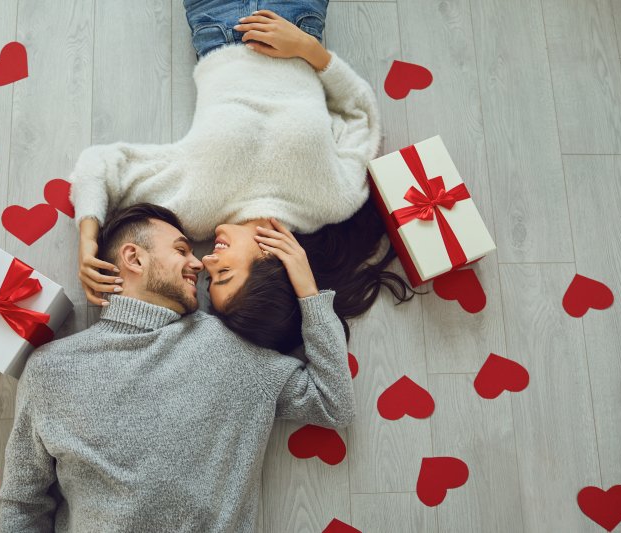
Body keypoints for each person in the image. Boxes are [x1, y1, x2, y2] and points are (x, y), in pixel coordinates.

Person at [70, 4, 425, 355]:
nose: (205, 261)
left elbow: (100, 165)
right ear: (271, 262)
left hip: (217, 23)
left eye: (209, 278)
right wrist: (309, 50)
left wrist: (88, 241)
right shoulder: (333, 200)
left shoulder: (195, 212)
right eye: (223, 274)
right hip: (298, 18)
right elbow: (360, 113)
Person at [0, 203, 355, 532]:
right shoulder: (50, 370)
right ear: (133, 259)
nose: (198, 264)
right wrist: (88, 234)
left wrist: (308, 291)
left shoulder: (234, 351)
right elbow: (23, 503)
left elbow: (333, 403)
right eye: (181, 250)